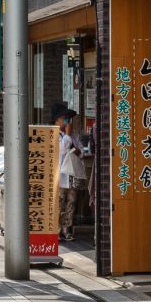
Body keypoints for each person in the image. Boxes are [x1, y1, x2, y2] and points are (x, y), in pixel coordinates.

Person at [52, 102, 85, 241]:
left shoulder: (73, 136)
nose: (66, 121)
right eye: (64, 118)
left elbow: (82, 151)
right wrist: (67, 135)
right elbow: (61, 150)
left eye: (68, 118)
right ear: (56, 120)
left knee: (71, 201)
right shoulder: (54, 134)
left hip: (71, 174)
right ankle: (56, 229)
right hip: (59, 175)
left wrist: (78, 151)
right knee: (59, 201)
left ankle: (67, 228)